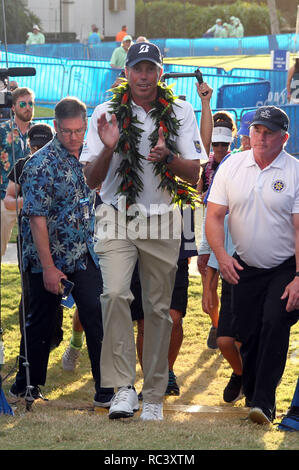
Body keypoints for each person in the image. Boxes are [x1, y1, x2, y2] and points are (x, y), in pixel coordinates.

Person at [81, 41, 209, 421]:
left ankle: (153, 394)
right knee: (115, 294)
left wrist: (168, 157)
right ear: (126, 72)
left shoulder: (181, 111)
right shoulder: (105, 113)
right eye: (137, 68)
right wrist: (109, 147)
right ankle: (123, 389)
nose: (143, 75)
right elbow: (91, 179)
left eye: (150, 68)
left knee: (158, 308)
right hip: (115, 215)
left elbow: (195, 173)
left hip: (162, 217)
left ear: (160, 73)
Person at [9, 97, 114, 407]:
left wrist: (107, 148)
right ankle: (26, 386)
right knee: (41, 322)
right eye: (67, 131)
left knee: (96, 314)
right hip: (47, 259)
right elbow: (36, 219)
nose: (74, 137)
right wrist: (49, 267)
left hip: (82, 255)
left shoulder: (85, 156)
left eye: (79, 131)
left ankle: (106, 389)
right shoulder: (40, 164)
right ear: (56, 127)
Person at [205, 105, 299, 424]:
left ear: (284, 138)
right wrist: (221, 256)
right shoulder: (232, 166)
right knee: (248, 331)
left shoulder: (295, 172)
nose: (261, 136)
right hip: (244, 265)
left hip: (286, 266)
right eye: (257, 130)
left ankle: (264, 401)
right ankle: (253, 390)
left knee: (275, 321)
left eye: (269, 132)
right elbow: (215, 215)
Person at [4, 124, 63, 350]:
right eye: (35, 146)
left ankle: (53, 336)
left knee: (58, 287)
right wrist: (30, 202)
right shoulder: (22, 165)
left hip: (59, 239)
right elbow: (9, 200)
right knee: (30, 289)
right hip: (28, 241)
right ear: (28, 145)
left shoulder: (60, 164)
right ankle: (27, 339)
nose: (38, 150)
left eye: (44, 145)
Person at [197, 111, 237, 349]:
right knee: (207, 290)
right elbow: (197, 191)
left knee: (227, 284)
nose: (220, 148)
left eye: (224, 143)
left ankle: (225, 329)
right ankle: (216, 323)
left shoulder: (237, 162)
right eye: (216, 144)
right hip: (209, 226)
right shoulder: (207, 165)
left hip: (231, 232)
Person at [0, 87, 35, 257]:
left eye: (30, 103)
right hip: (3, 199)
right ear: (13, 107)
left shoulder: (40, 133)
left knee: (35, 255)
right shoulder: (1, 131)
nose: (28, 107)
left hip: (32, 202)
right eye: (23, 104)